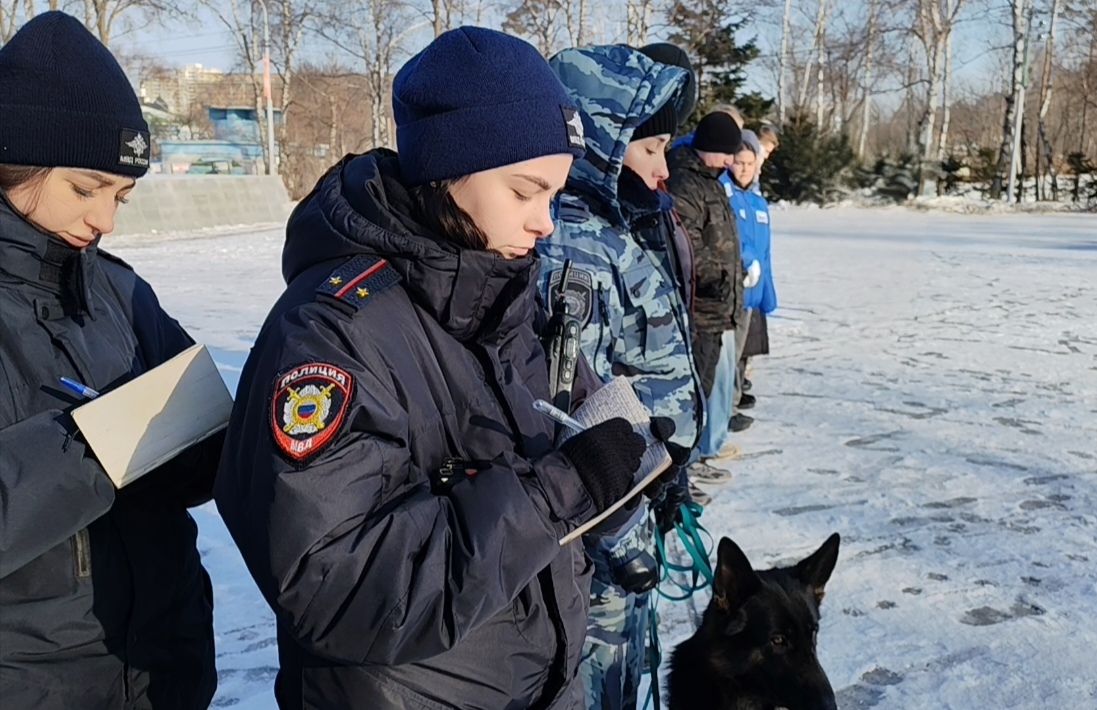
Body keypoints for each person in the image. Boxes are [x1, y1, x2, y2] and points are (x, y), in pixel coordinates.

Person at [214, 28, 678, 710]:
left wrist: (613, 473)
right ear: (446, 170)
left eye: (552, 195)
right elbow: (335, 588)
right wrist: (562, 488)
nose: (544, 222)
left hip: (538, 682)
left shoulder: (512, 293)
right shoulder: (334, 333)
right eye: (524, 192)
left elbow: (550, 471)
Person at [0, 12, 221, 709]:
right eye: (85, 188)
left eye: (121, 195)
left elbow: (201, 452)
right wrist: (94, 447)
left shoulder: (120, 290)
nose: (106, 221)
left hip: (163, 670)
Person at [537, 44, 700, 710]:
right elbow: (568, 414)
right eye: (650, 148)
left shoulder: (611, 233)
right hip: (600, 550)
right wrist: (628, 539)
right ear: (600, 139)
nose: (662, 170)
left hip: (637, 511)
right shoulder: (570, 253)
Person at [665, 112, 745, 480]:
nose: (731, 162)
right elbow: (689, 247)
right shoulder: (686, 183)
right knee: (694, 395)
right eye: (726, 154)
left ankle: (694, 461)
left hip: (717, 310)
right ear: (709, 149)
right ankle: (685, 468)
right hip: (700, 313)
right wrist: (721, 274)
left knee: (707, 388)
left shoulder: (711, 181)